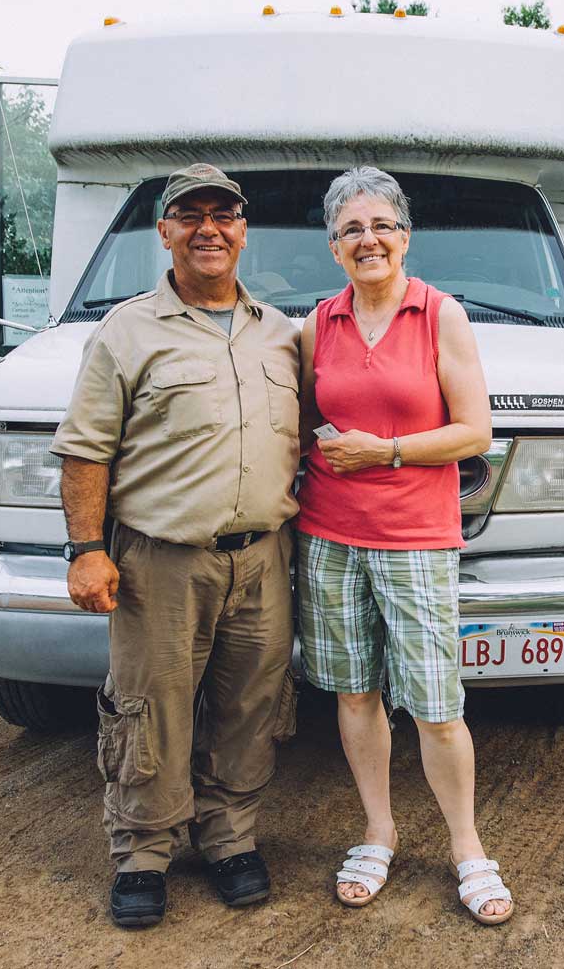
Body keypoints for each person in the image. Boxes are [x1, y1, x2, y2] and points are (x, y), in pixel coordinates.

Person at [51, 163, 301, 929]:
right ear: (164, 232)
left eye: (222, 215)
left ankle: (229, 840)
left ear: (243, 229)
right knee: (150, 710)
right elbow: (86, 449)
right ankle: (143, 853)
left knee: (248, 707)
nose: (208, 229)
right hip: (159, 559)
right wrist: (85, 550)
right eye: (189, 216)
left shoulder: (284, 333)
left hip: (263, 560)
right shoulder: (125, 330)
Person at [295, 166, 513, 925]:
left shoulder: (439, 314)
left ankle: (467, 848)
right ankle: (378, 831)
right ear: (333, 246)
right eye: (352, 229)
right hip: (328, 536)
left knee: (435, 704)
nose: (369, 240)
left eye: (382, 225)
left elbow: (475, 431)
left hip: (415, 538)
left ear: (405, 235)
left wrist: (385, 452)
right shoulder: (317, 324)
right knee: (355, 693)